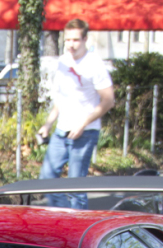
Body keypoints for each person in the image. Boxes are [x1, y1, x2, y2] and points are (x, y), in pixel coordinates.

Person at [37, 18, 115, 209]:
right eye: (68, 40)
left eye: (75, 40)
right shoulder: (63, 62)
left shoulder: (94, 64)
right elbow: (61, 99)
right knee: (46, 177)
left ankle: (77, 225)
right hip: (62, 130)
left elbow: (108, 100)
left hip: (85, 132)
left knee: (75, 186)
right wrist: (48, 124)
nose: (71, 45)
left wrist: (83, 123)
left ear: (85, 39)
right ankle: (63, 217)